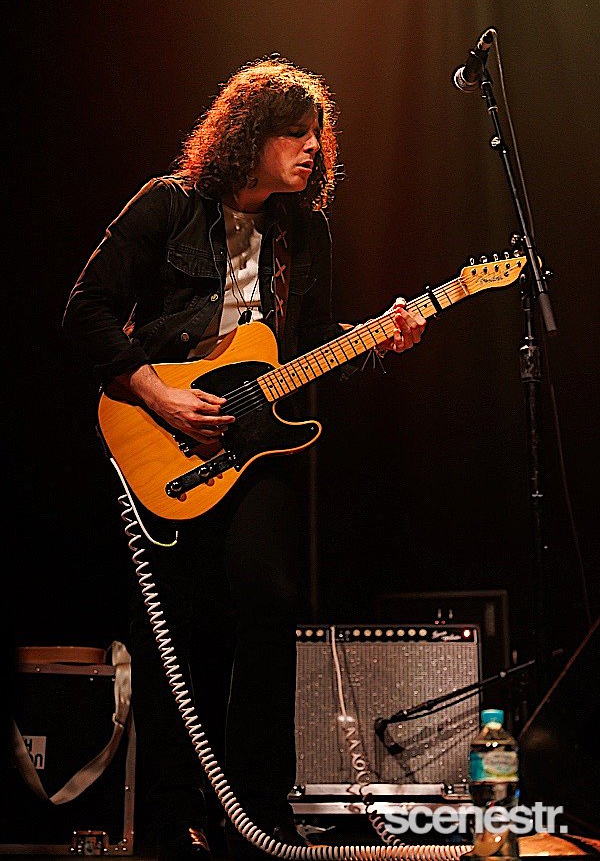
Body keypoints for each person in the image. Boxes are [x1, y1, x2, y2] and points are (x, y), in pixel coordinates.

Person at [62, 57, 426, 861]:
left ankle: (257, 812)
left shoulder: (305, 230)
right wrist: (159, 395)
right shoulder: (166, 205)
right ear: (247, 137)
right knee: (170, 626)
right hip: (162, 432)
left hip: (260, 445)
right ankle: (168, 820)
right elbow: (84, 311)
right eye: (293, 134)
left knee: (271, 600)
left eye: (316, 135)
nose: (312, 148)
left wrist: (379, 339)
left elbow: (314, 341)